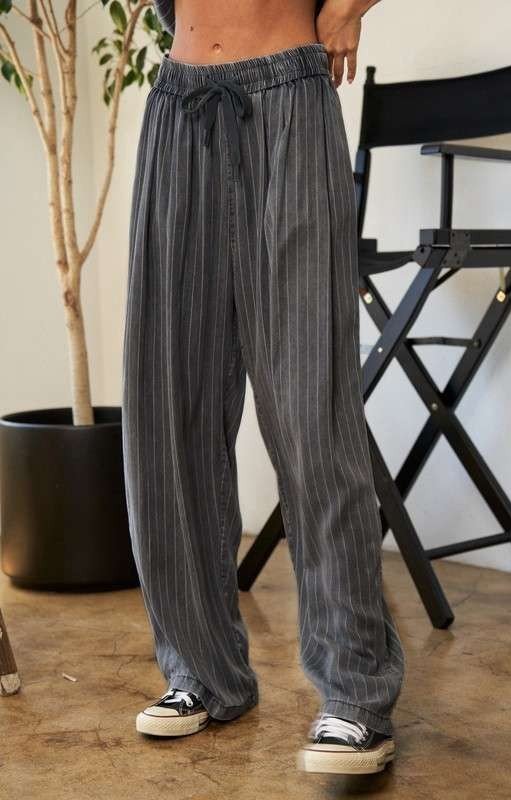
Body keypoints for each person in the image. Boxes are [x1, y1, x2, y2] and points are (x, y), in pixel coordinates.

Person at [121, 0, 405, 775]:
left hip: (287, 101)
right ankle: (200, 671)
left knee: (311, 411)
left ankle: (353, 693)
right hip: (178, 104)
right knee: (168, 406)